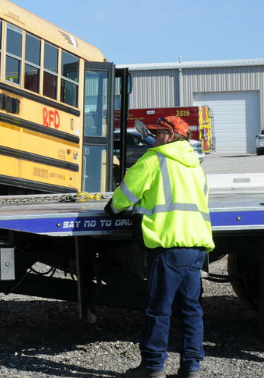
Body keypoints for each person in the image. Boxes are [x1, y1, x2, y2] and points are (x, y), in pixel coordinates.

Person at [104, 115, 214, 378]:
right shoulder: (196, 166)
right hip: (196, 245)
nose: (155, 136)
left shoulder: (154, 159)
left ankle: (153, 367)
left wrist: (114, 208)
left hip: (168, 245)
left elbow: (127, 194)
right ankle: (192, 367)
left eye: (160, 132)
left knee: (159, 309)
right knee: (191, 309)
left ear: (172, 136)